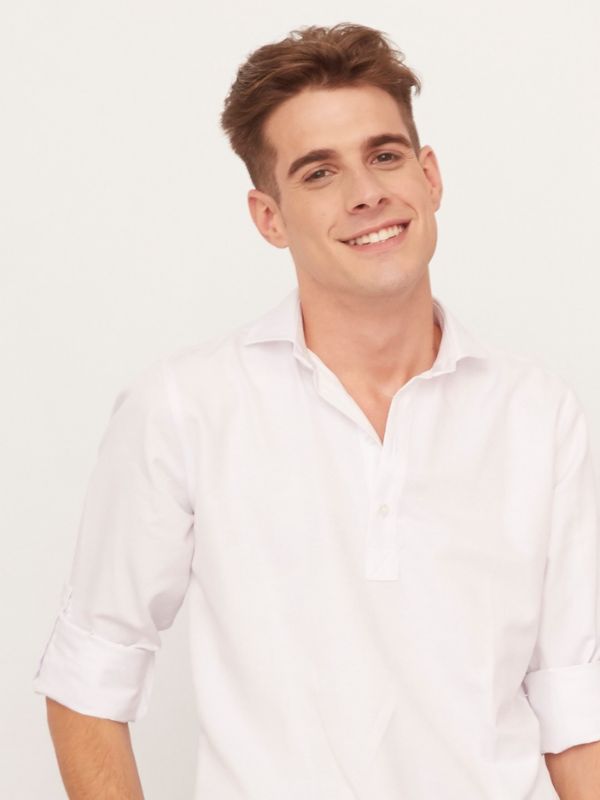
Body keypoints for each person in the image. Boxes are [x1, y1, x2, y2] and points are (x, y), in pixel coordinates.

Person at [33, 22, 600, 800]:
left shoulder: (537, 414)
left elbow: (574, 702)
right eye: (319, 172)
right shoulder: (187, 409)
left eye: (385, 155)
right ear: (268, 217)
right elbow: (90, 675)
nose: (366, 193)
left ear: (430, 176)